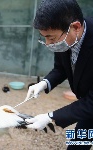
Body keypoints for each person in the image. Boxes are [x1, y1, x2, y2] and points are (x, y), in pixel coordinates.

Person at [24, 0, 93, 149]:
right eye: (44, 38)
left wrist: (51, 117)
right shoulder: (67, 38)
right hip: (87, 106)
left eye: (51, 38)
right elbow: (61, 69)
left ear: (75, 27)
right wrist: (44, 83)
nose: (48, 44)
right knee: (78, 145)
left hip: (90, 103)